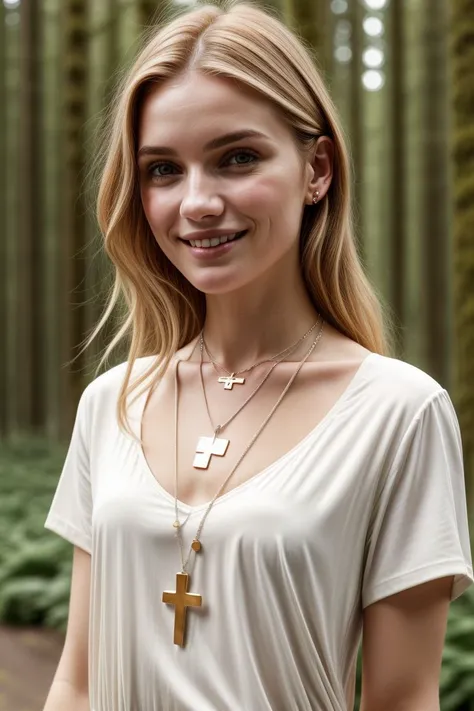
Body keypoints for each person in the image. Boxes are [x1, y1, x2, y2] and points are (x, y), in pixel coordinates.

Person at [43, 1, 473, 710]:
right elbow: (77, 678)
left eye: (236, 157)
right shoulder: (112, 403)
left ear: (317, 169)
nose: (198, 202)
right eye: (162, 170)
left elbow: (401, 697)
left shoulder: (401, 413)